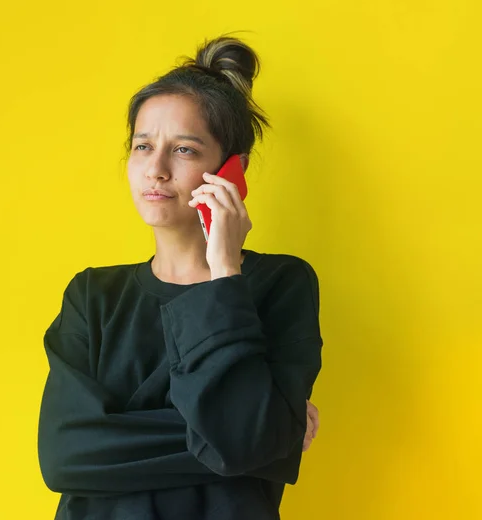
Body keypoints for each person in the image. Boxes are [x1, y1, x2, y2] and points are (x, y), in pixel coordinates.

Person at [37, 34, 324, 519]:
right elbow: (64, 455)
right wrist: (274, 435)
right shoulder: (93, 295)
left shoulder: (281, 284)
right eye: (143, 146)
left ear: (233, 170)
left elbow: (244, 439)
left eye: (185, 150)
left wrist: (225, 276)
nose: (156, 169)